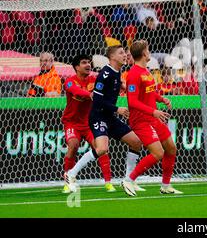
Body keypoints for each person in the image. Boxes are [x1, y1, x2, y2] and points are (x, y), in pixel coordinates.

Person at [66, 45, 144, 193]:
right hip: (98, 116)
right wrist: (117, 109)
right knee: (101, 149)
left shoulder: (117, 72)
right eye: (121, 53)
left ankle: (128, 180)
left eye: (125, 53)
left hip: (109, 116)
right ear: (112, 57)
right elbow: (97, 100)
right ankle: (71, 173)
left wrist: (122, 86)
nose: (125, 55)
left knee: (136, 142)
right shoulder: (105, 74)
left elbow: (115, 87)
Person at [122, 40, 182, 196]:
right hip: (141, 120)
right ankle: (129, 179)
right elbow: (132, 101)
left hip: (152, 117)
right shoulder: (134, 74)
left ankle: (166, 186)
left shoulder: (146, 71)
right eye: (148, 50)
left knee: (171, 148)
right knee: (158, 153)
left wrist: (161, 99)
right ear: (144, 53)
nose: (149, 52)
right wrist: (153, 111)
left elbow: (149, 93)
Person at [62, 54, 115, 193]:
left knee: (101, 148)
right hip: (72, 122)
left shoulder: (95, 79)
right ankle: (68, 182)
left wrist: (120, 85)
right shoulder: (69, 81)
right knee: (73, 145)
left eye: (89, 62)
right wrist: (90, 94)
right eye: (84, 63)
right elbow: (75, 91)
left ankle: (108, 183)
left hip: (90, 122)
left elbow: (108, 82)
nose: (88, 65)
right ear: (76, 67)